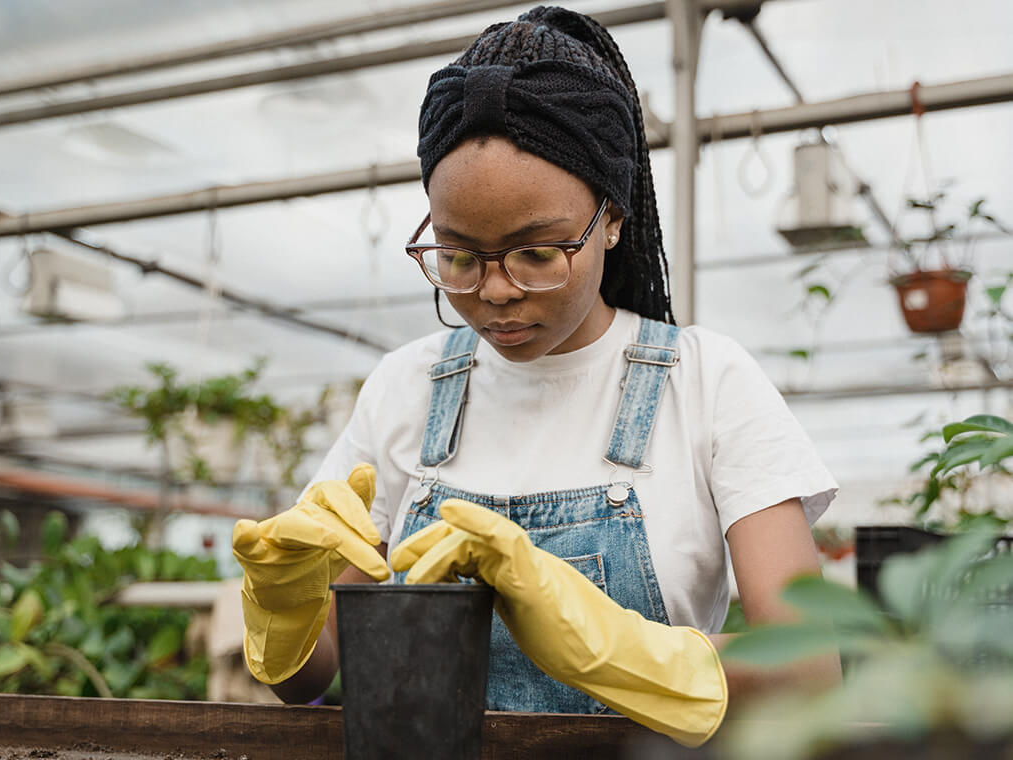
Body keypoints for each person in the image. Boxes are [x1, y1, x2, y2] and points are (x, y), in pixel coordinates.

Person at [232, 5, 839, 748]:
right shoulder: (406, 388)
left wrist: (606, 643)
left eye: (537, 253)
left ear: (611, 217)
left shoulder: (706, 382)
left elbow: (809, 667)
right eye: (458, 256)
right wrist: (285, 607)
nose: (494, 291)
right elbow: (312, 680)